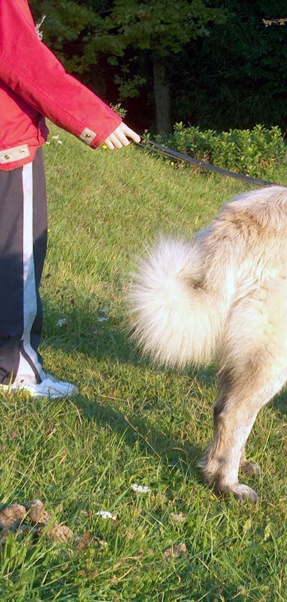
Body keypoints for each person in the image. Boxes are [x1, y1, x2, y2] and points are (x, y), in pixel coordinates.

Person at [0, 0, 141, 398]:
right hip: (7, 144)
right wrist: (95, 122)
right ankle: (14, 371)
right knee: (17, 259)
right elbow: (24, 62)